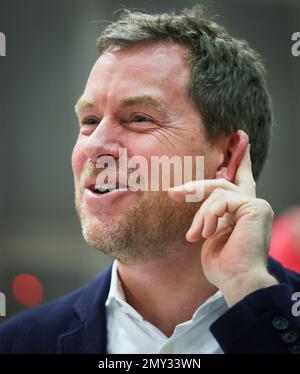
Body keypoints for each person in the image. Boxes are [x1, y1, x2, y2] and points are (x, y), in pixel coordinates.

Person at [1, 5, 300, 354]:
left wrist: (249, 290)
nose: (95, 146)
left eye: (139, 118)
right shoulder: (19, 344)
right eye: (89, 120)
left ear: (227, 156)